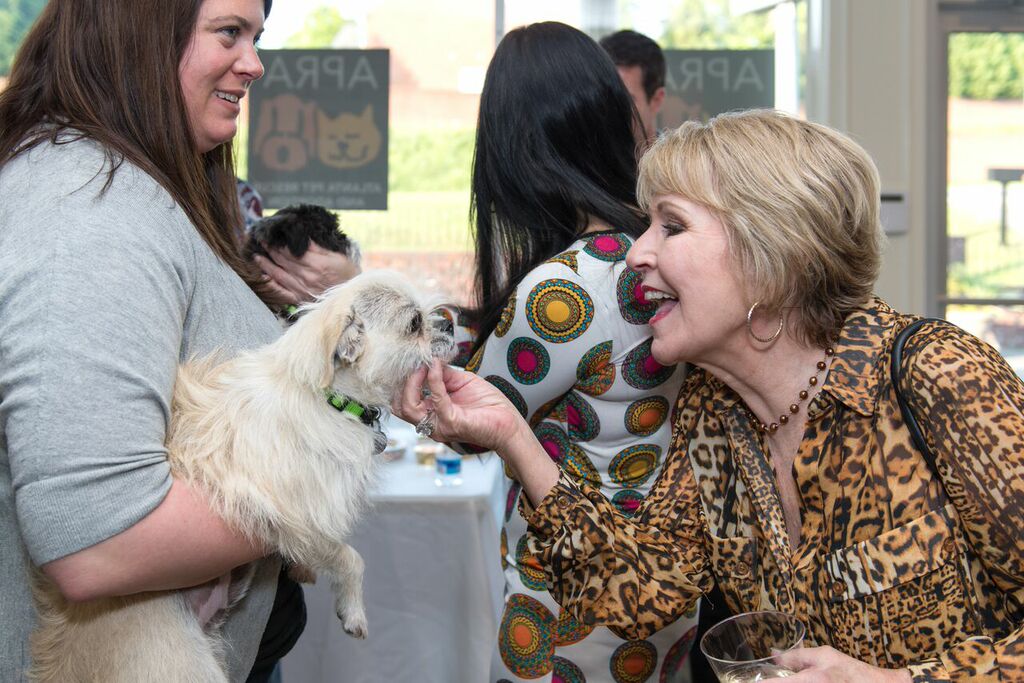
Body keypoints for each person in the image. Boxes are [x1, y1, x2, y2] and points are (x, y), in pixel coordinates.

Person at [395, 109, 1024, 681]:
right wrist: (514, 435)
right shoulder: (713, 413)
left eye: (672, 225)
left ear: (770, 251)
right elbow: (639, 594)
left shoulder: (934, 375)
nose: (637, 251)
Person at [0, 1, 304, 680]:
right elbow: (96, 539)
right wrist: (310, 488)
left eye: (257, 36)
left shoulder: (125, 182)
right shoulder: (90, 210)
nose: (253, 63)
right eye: (230, 32)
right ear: (141, 29)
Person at [435, 21, 697, 683]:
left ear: (513, 151)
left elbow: (469, 419)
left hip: (575, 599)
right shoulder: (649, 252)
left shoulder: (566, 290)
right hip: (662, 593)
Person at [600, 29, 666, 147]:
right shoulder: (581, 162)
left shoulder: (680, 164)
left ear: (656, 100)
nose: (610, 110)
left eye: (624, 100)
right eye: (603, 97)